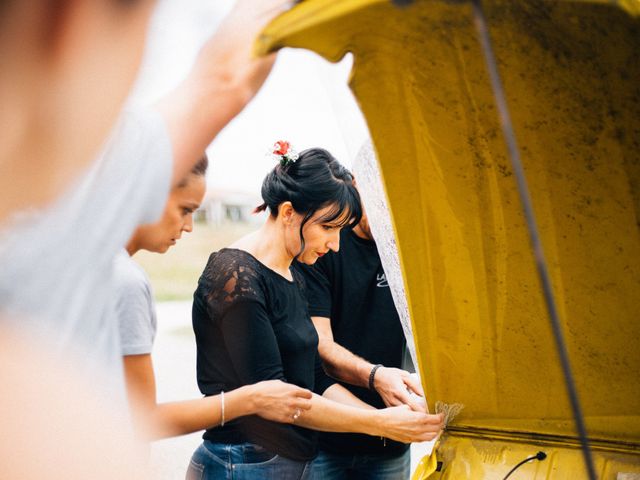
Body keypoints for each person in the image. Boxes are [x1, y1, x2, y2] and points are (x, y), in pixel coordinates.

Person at [0, 1, 292, 477]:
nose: (188, 226)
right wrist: (247, 400)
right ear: (68, 20)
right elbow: (226, 79)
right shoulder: (92, 191)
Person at [187, 146, 444, 480]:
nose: (335, 245)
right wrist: (380, 422)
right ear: (290, 212)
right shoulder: (235, 276)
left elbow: (315, 377)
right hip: (243, 463)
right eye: (328, 228)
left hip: (289, 464)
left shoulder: (292, 273)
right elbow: (277, 397)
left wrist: (385, 424)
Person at [116, 154, 313, 440]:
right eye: (185, 209)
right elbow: (143, 419)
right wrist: (250, 399)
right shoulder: (126, 281)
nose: (189, 226)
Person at [295, 195, 420, 479]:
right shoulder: (325, 246)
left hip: (392, 442)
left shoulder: (412, 248)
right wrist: (376, 377)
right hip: (326, 439)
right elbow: (321, 346)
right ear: (356, 184)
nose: (390, 215)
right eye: (381, 199)